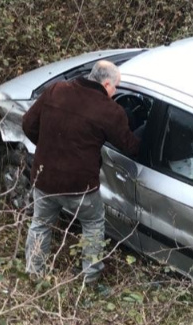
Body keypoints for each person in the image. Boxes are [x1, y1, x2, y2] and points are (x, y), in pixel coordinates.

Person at [21, 60, 141, 284]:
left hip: (44, 177)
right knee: (93, 225)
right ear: (106, 84)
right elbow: (130, 146)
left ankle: (35, 274)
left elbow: (28, 123)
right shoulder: (109, 111)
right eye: (115, 88)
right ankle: (90, 279)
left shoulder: (57, 90)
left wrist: (48, 150)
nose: (115, 93)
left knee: (41, 224)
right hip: (80, 187)